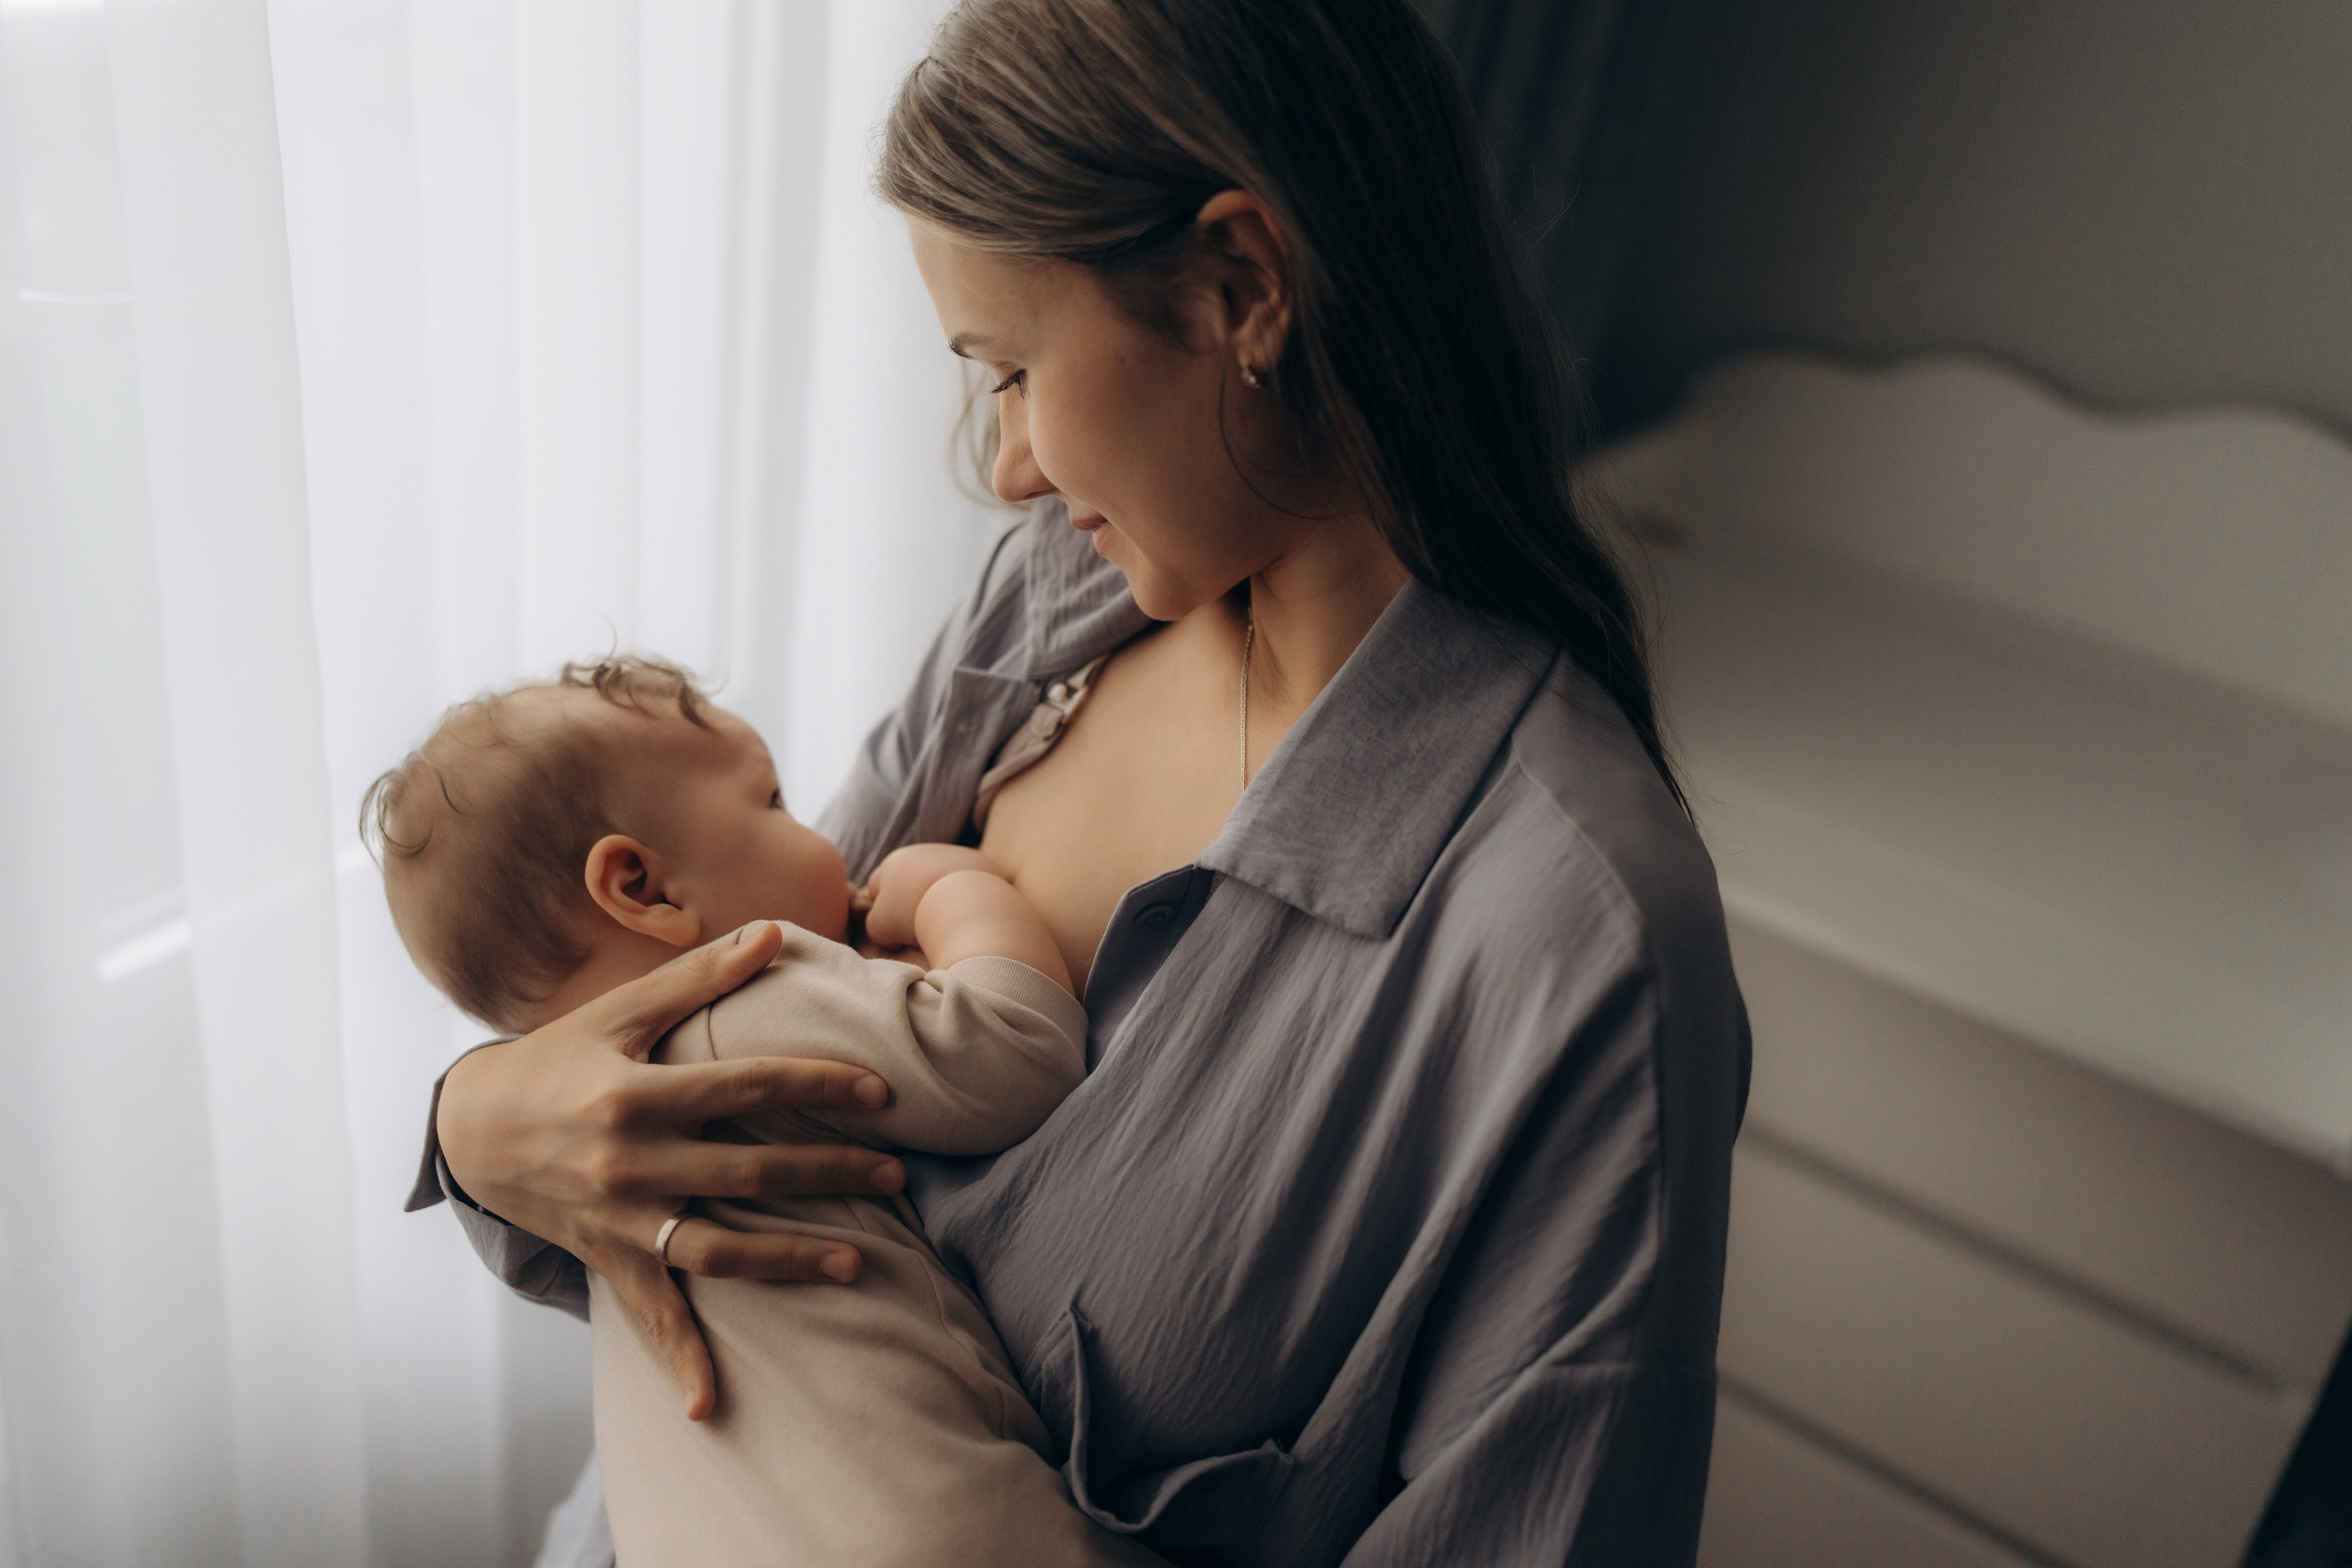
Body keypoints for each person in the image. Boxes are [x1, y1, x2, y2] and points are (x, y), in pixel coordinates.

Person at [412, 0, 1750, 1562]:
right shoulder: (1051, 605)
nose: (1007, 468)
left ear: (1242, 286)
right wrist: (480, 1121)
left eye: (1011, 366)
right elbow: (715, 1023)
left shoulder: (1576, 952)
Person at [366, 658, 1155, 1567]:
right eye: (774, 803)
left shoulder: (595, 1138)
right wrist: (954, 894)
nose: (828, 840)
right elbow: (1013, 1052)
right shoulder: (746, 995)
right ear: (644, 891)